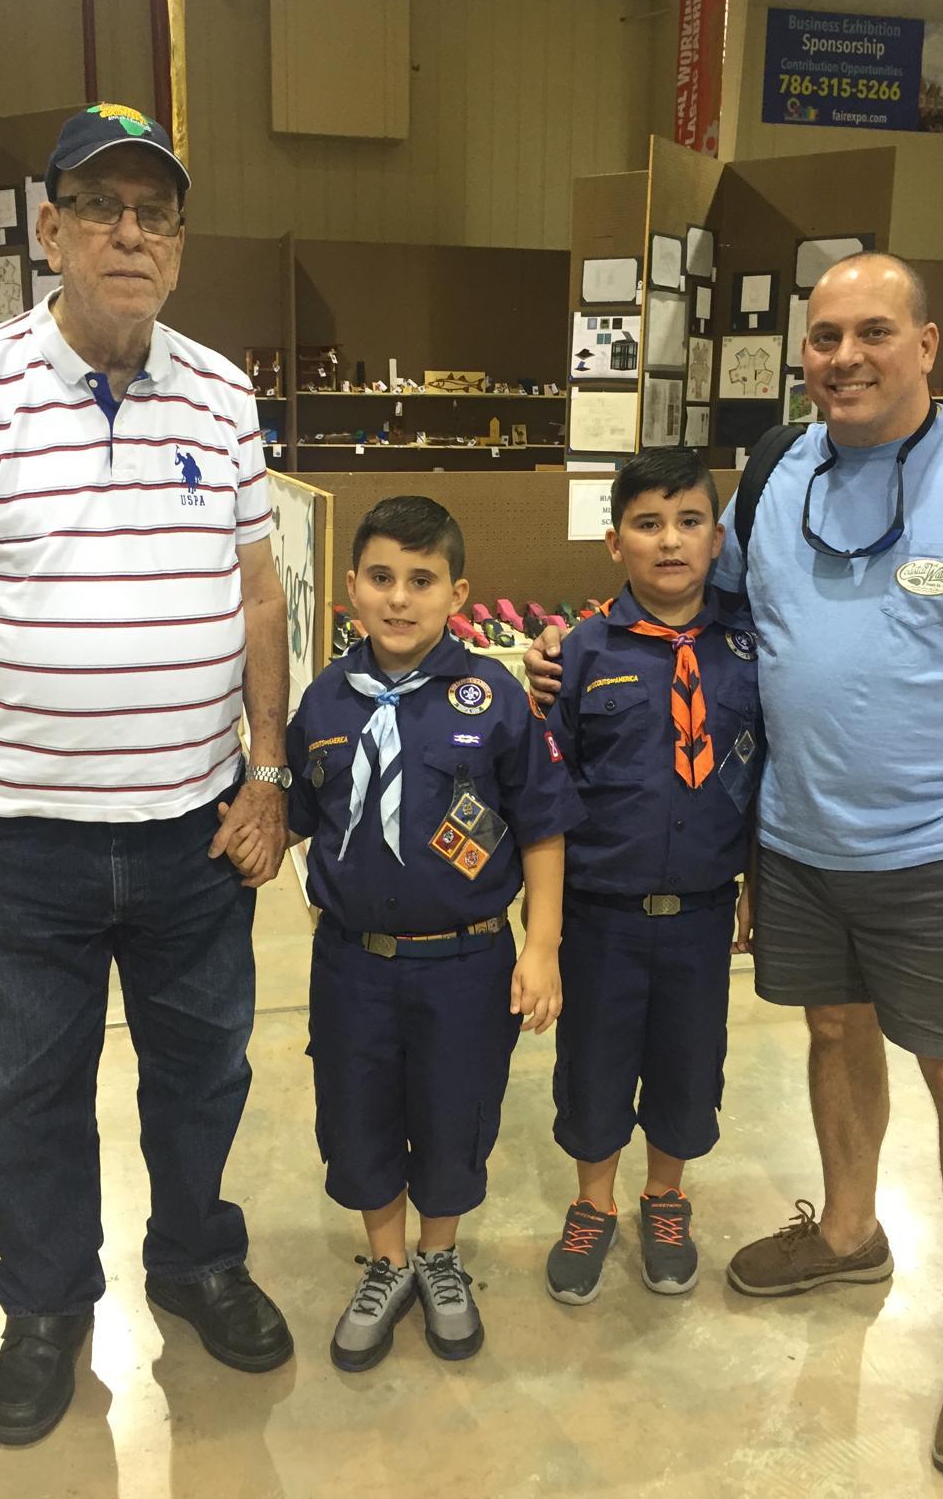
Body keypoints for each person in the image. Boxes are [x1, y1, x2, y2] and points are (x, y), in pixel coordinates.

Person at [527, 254, 943, 1484]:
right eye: (826, 337)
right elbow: (681, 602)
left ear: (928, 344)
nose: (845, 357)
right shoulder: (780, 475)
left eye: (874, 332)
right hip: (801, 837)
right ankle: (849, 1229)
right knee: (833, 1030)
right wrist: (567, 649)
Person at [0, 103, 294, 1447]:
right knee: (22, 1096)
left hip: (192, 832)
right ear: (50, 231)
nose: (130, 232)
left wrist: (268, 772)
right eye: (102, 208)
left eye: (155, 211)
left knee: (204, 1072)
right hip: (21, 842)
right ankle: (48, 1306)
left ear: (179, 241)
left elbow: (261, 598)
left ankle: (196, 1261)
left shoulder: (222, 392)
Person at [279, 496, 582, 1372]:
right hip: (352, 964)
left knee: (457, 1112)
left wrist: (541, 947)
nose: (400, 598)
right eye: (381, 578)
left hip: (466, 962)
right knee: (357, 1113)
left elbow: (542, 828)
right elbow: (292, 810)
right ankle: (387, 1261)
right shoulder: (327, 699)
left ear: (458, 593)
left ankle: (439, 1254)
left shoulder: (494, 699)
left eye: (422, 580)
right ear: (351, 587)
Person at [538, 450, 758, 1308]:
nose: (670, 541)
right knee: (593, 1066)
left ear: (717, 538)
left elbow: (769, 773)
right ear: (614, 542)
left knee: (688, 1064)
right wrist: (544, 926)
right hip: (600, 913)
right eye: (648, 524)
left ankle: (665, 1197)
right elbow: (550, 790)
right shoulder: (581, 653)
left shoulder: (748, 647)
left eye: (690, 522)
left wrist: (760, 881)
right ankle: (594, 1203)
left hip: (703, 910)